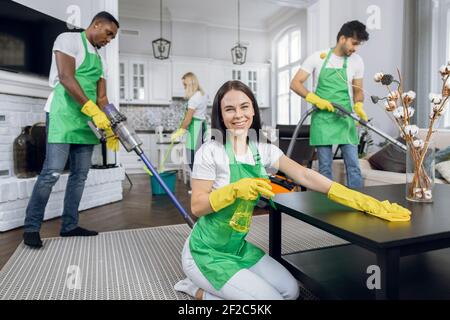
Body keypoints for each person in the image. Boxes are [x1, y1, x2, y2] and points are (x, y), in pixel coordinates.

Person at [174, 80, 411, 300]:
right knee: (270, 300)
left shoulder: (261, 150)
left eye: (244, 107)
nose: (238, 115)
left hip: (237, 248)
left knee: (291, 291)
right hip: (205, 252)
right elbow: (198, 206)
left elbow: (304, 174)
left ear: (254, 110)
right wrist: (234, 190)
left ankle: (220, 285)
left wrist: (357, 198)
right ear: (221, 115)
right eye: (230, 109)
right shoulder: (211, 150)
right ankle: (195, 288)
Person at [23, 12, 120, 248]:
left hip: (87, 121)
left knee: (80, 176)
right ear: (96, 24)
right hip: (64, 114)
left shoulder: (101, 60)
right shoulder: (68, 39)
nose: (109, 40)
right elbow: (66, 78)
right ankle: (31, 228)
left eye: (113, 37)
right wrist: (91, 109)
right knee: (52, 172)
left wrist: (114, 122)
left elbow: (103, 97)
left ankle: (69, 226)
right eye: (109, 33)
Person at [290, 20, 369, 189]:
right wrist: (315, 99)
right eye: (354, 43)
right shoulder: (318, 58)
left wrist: (359, 106)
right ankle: (327, 205)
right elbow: (295, 83)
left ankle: (359, 204)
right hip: (322, 118)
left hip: (344, 117)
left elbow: (358, 91)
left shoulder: (357, 61)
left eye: (358, 45)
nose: (355, 48)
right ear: (342, 38)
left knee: (354, 166)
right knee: (325, 167)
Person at [170, 72, 208, 170]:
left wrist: (179, 132)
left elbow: (187, 119)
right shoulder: (203, 94)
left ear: (191, 84)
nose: (184, 87)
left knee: (192, 159)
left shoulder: (194, 98)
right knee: (200, 158)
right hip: (202, 127)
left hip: (196, 129)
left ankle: (197, 183)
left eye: (185, 85)